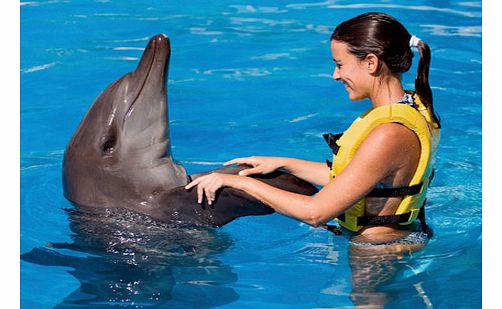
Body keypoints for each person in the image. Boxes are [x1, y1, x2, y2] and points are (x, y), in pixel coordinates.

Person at [185, 12, 440, 247]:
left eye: (340, 64)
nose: (335, 75)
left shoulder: (390, 132)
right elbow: (358, 176)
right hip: (384, 242)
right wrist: (281, 163)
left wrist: (235, 183)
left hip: (377, 253)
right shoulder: (408, 106)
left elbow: (315, 213)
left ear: (371, 63)